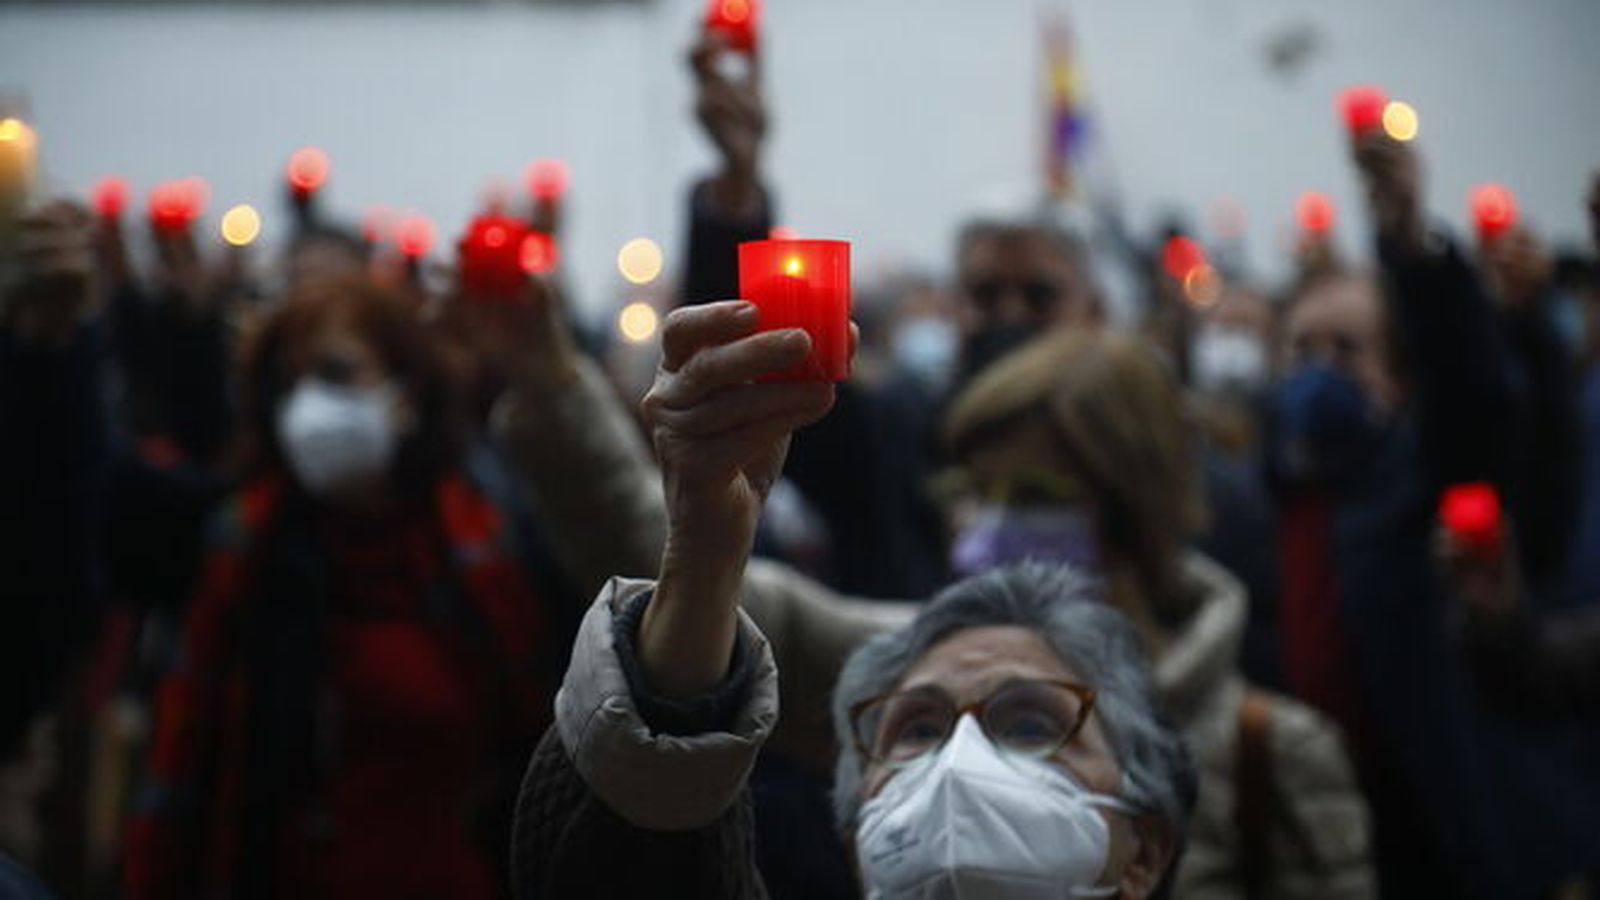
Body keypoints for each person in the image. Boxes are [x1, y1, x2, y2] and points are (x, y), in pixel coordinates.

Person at [494, 299, 1375, 897]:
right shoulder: (907, 665)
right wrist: (562, 395)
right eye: (913, 733)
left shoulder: (1268, 749)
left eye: (1033, 725)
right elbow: (699, 619)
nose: (959, 765)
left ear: (1150, 846)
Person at [122, 276, 568, 900]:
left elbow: (539, 746)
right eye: (289, 383)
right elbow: (184, 757)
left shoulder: (486, 551)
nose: (308, 405)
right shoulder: (244, 547)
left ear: (406, 392)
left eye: (336, 373)